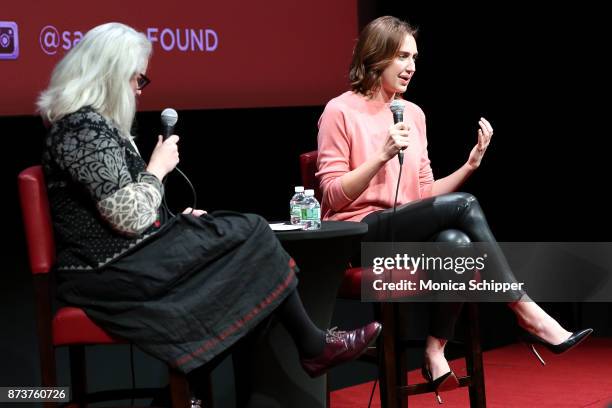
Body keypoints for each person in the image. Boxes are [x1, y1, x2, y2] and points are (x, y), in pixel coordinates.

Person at [38, 22, 382, 403]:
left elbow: (131, 212)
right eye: (137, 79)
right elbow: (128, 217)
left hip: (131, 259)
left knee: (242, 237)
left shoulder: (97, 127)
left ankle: (196, 388)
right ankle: (311, 346)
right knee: (249, 232)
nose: (139, 89)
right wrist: (158, 167)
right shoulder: (80, 128)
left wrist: (175, 221)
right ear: (110, 75)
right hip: (106, 272)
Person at [316, 15, 592, 402]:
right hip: (358, 235)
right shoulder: (339, 111)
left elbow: (426, 194)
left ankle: (434, 349)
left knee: (457, 243)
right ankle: (524, 309)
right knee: (464, 208)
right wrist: (380, 156)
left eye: (415, 57)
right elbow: (330, 196)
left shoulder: (413, 114)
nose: (411, 66)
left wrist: (470, 165)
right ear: (376, 57)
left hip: (405, 230)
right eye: (402, 56)